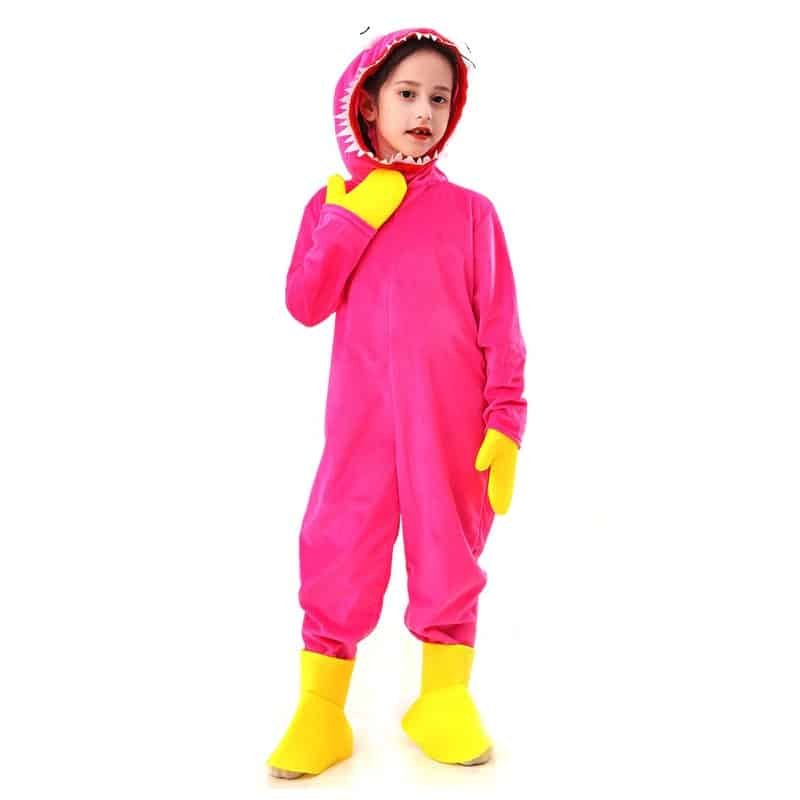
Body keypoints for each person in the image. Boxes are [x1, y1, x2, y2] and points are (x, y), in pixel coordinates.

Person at [267, 26, 527, 779]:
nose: (424, 112)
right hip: (361, 426)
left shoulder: (472, 214)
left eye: (439, 98)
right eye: (407, 94)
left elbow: (501, 328)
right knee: (338, 543)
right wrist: (354, 218)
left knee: (449, 551)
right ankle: (321, 707)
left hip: (449, 424)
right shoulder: (334, 203)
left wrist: (506, 420)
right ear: (368, 103)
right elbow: (305, 302)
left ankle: (442, 696)